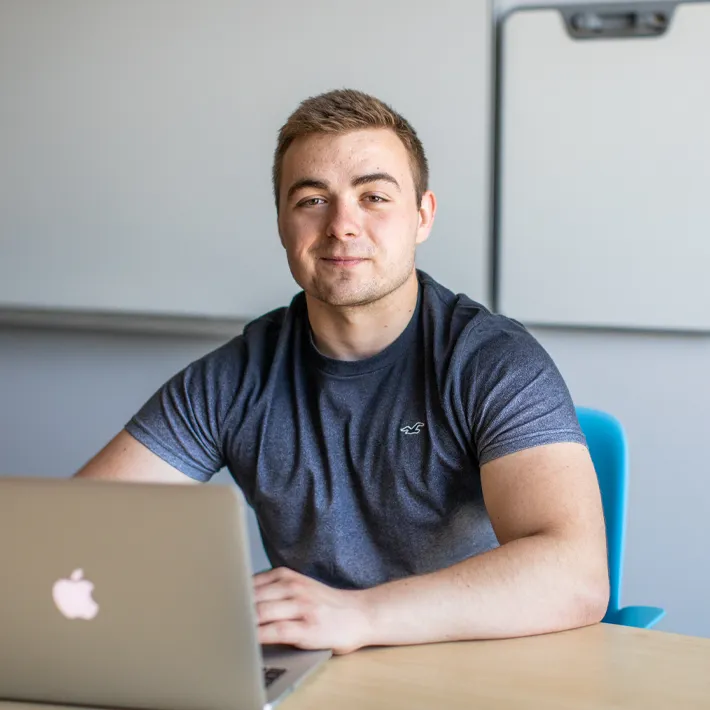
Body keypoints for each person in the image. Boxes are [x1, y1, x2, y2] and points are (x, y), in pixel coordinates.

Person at [76, 88, 609, 654]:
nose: (341, 226)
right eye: (311, 200)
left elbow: (575, 576)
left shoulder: (490, 361)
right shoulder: (234, 377)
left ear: (422, 215)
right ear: (282, 221)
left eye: (374, 196)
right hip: (316, 674)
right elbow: (73, 530)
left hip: (475, 665)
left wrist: (361, 616)